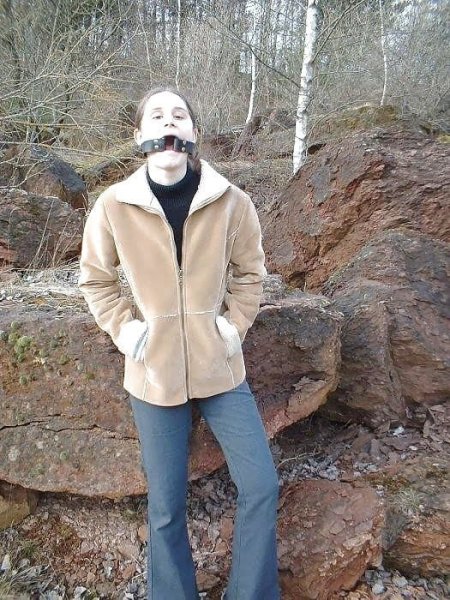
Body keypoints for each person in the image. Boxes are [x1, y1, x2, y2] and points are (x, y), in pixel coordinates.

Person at [77, 85, 280, 600]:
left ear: (193, 132)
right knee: (166, 507)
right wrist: (126, 329)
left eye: (179, 115)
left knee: (261, 485)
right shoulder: (113, 205)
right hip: (153, 373)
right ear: (139, 135)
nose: (169, 123)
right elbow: (96, 279)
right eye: (157, 116)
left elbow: (251, 273)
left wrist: (233, 325)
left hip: (221, 369)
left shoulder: (232, 202)